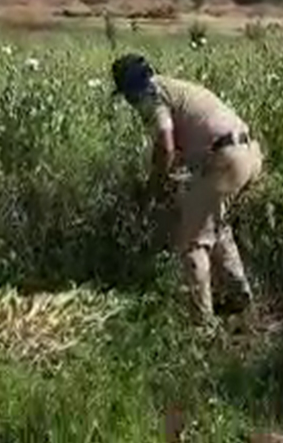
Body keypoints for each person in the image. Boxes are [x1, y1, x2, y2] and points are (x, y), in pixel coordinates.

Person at [111, 53, 263, 322]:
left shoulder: (151, 95)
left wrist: (154, 186)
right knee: (214, 225)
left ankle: (201, 324)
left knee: (193, 244)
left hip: (226, 159)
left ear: (130, 91)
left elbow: (166, 145)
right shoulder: (171, 87)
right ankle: (238, 295)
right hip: (248, 153)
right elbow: (184, 145)